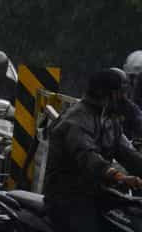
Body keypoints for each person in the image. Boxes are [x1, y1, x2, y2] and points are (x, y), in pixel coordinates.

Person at [45, 68, 142, 232]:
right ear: (105, 94)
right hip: (67, 196)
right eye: (120, 93)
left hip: (97, 193)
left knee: (132, 213)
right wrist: (119, 176)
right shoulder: (76, 119)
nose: (124, 99)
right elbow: (87, 155)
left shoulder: (109, 120)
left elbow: (128, 154)